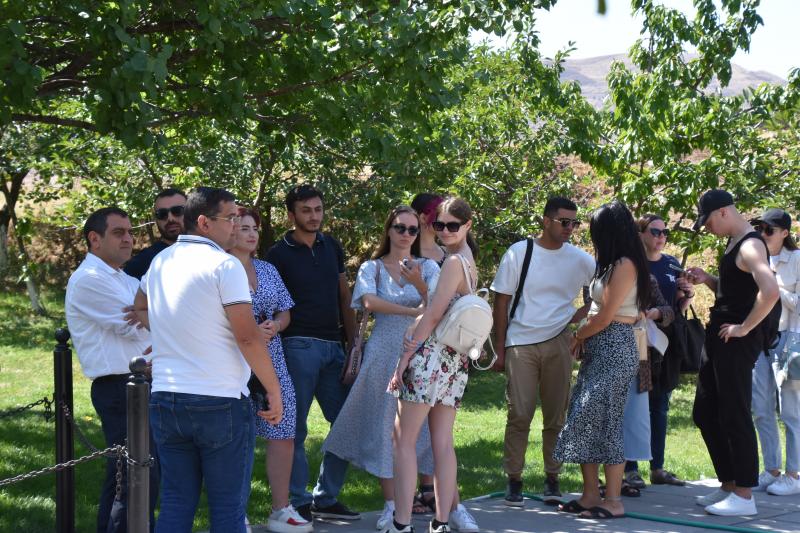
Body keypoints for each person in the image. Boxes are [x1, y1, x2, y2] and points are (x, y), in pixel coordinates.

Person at [135, 187, 283, 532]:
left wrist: (173, 334)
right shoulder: (225, 265)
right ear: (203, 222)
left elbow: (140, 306)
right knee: (227, 510)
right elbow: (248, 337)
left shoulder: (161, 261)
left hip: (167, 398)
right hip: (219, 400)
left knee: (175, 502)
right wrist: (274, 389)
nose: (236, 225)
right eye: (230, 218)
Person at [323, 205, 442, 530]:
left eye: (412, 229)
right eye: (400, 227)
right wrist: (413, 310)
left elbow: (438, 304)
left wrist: (420, 287)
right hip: (381, 355)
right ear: (388, 229)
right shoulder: (371, 267)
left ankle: (420, 502)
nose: (406, 234)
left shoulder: (428, 267)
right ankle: (390, 506)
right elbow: (368, 302)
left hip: (419, 354)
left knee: (419, 432)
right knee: (384, 429)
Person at [490, 196, 594, 506]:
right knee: (519, 414)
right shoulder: (519, 252)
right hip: (520, 341)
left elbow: (604, 290)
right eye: (564, 221)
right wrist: (499, 347)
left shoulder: (580, 259)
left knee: (556, 415)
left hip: (560, 341)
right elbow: (501, 301)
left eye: (575, 223)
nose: (570, 228)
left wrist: (580, 316)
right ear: (546, 221)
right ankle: (514, 479)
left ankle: (553, 478)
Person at [386, 196, 481, 533]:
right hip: (454, 361)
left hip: (431, 356)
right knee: (442, 442)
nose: (444, 231)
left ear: (468, 225)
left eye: (453, 225)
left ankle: (401, 524)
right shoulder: (468, 260)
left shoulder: (454, 261)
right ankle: (440, 523)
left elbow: (434, 314)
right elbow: (441, 305)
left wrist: (404, 358)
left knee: (404, 440)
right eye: (439, 224)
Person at [266, 185, 360, 523]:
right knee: (295, 428)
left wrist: (354, 343)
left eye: (318, 209)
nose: (314, 216)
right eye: (306, 210)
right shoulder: (277, 254)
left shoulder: (331, 245)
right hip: (297, 346)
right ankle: (298, 500)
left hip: (335, 346)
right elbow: (274, 305)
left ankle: (326, 497)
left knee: (347, 424)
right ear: (291, 214)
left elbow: (344, 296)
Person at [553, 200, 651, 520]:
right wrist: (585, 336)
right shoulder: (610, 263)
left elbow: (606, 315)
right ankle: (590, 495)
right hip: (599, 346)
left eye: (596, 229)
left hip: (616, 345)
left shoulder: (625, 264)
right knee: (585, 418)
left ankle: (613, 500)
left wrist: (578, 335)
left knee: (607, 422)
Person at [65, 207, 158, 533]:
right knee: (135, 478)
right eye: (119, 233)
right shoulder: (88, 280)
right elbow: (132, 327)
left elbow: (147, 318)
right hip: (120, 388)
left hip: (139, 384)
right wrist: (150, 314)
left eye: (130, 232)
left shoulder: (125, 278)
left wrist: (147, 312)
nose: (129, 239)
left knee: (127, 477)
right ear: (95, 238)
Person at [687, 189, 779, 516]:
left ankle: (744, 495)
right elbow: (738, 291)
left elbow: (770, 291)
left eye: (708, 221)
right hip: (720, 336)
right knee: (705, 412)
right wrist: (709, 279)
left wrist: (744, 328)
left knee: (734, 412)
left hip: (735, 340)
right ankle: (728, 485)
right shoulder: (733, 242)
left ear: (723, 212)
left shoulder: (751, 245)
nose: (707, 227)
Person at [230, 207, 310, 533]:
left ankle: (281, 508)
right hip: (233, 362)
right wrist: (249, 330)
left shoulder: (267, 269)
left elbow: (285, 311)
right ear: (229, 230)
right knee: (238, 439)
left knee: (284, 432)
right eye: (244, 228)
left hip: (273, 360)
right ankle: (235, 513)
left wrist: (275, 325)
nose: (251, 234)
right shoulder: (220, 269)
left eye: (254, 228)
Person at [622, 215, 694, 491]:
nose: (661, 237)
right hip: (637, 345)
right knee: (634, 404)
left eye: (665, 233)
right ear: (640, 233)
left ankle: (657, 468)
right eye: (655, 231)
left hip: (665, 345)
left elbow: (676, 309)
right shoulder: (630, 263)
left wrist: (686, 296)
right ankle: (630, 469)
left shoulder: (672, 264)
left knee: (660, 406)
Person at [750, 208, 800, 496]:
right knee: (760, 408)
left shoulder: (796, 259)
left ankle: (794, 474)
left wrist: (773, 286)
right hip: (760, 340)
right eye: (759, 229)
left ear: (784, 233)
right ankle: (771, 470)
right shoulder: (756, 259)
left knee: (791, 411)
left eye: (768, 229)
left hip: (790, 340)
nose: (763, 234)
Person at [124, 188, 186, 279]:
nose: (170, 219)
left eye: (177, 211)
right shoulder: (140, 264)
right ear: (156, 218)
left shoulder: (206, 250)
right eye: (162, 214)